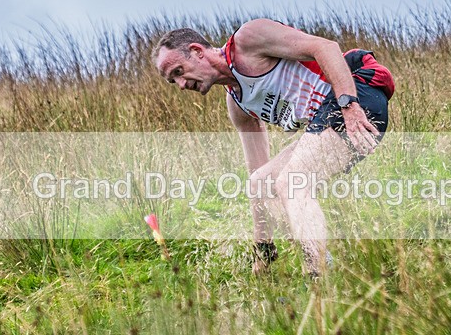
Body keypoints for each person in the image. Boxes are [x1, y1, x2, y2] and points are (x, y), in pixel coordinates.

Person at [153, 18, 394, 279]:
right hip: (326, 120)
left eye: (179, 71)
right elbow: (259, 182)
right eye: (173, 81)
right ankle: (320, 264)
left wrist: (350, 106)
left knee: (291, 182)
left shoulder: (248, 40)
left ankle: (320, 279)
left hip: (355, 92)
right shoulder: (238, 105)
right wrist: (262, 246)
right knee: (261, 182)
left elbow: (325, 47)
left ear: (197, 51)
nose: (181, 85)